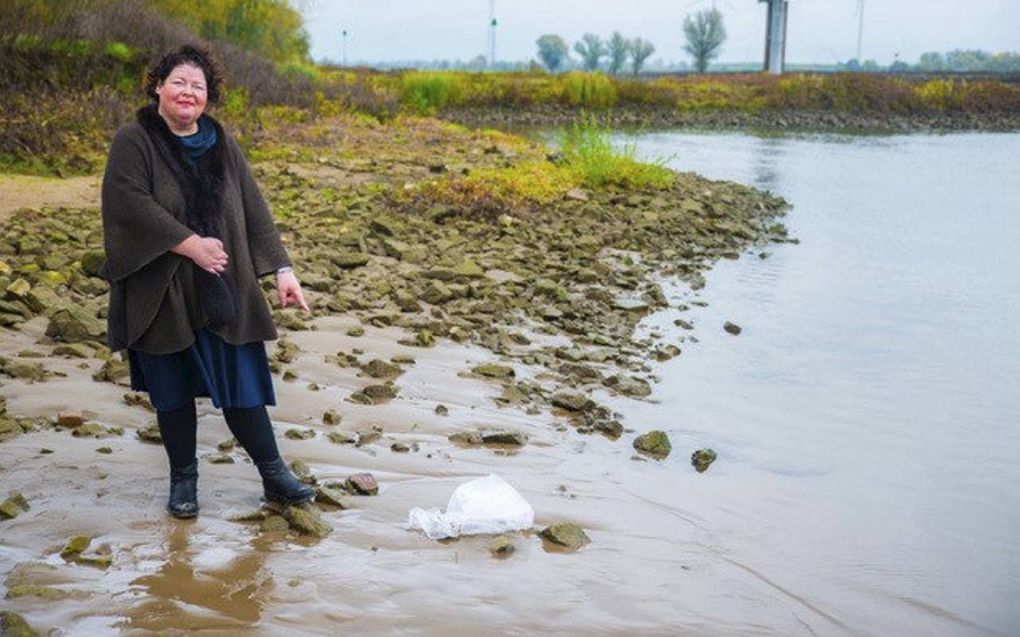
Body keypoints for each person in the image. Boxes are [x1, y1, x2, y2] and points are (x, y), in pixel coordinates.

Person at [100, 44, 314, 518]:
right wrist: (188, 243)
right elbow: (126, 201)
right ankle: (184, 483)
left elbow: (253, 206)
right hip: (163, 286)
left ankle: (274, 475)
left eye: (197, 86)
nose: (188, 92)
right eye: (178, 82)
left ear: (208, 96)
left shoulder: (221, 140)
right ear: (158, 85)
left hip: (222, 284)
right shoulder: (135, 140)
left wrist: (281, 270)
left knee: (241, 381)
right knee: (171, 390)